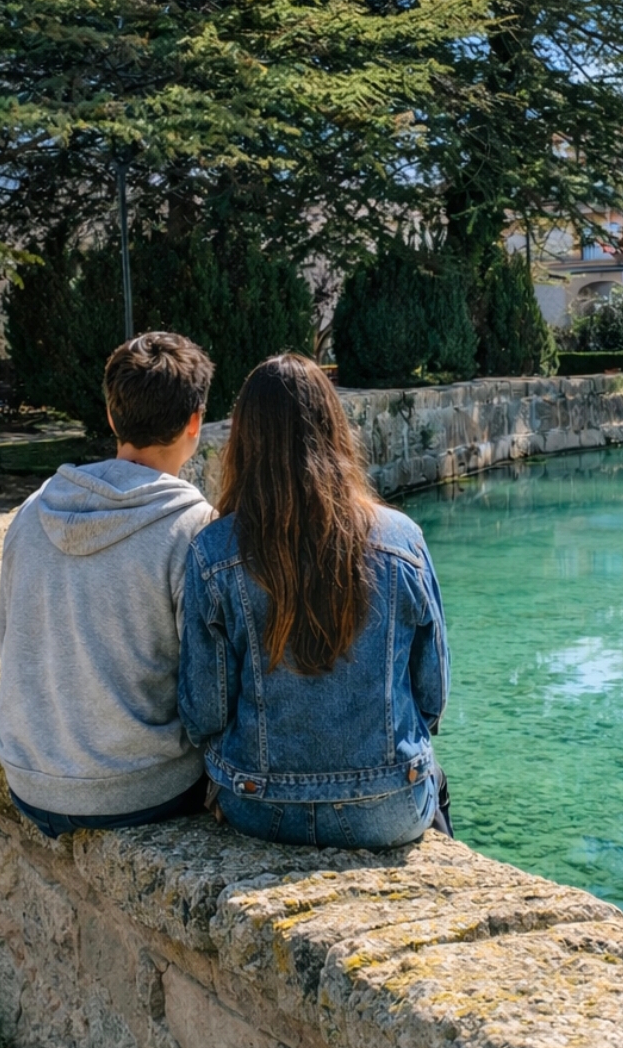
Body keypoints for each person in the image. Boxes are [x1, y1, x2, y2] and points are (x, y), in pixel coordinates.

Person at [178, 354, 452, 849]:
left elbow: (205, 713)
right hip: (388, 805)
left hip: (258, 805)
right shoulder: (401, 539)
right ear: (334, 430)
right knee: (438, 781)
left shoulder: (213, 551)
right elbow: (432, 696)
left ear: (243, 441)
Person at [0, 332, 215, 836]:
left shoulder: (33, 511)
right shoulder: (192, 527)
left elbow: (8, 640)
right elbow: (207, 694)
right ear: (194, 423)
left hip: (30, 782)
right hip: (140, 790)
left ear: (113, 418)